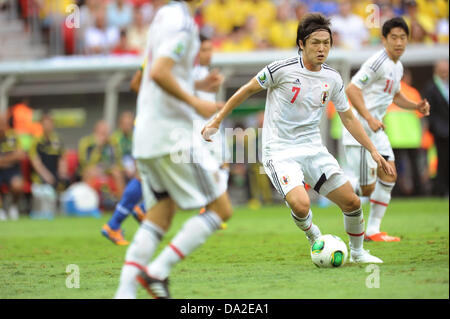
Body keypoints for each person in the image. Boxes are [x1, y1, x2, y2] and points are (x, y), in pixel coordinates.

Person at [203, 13, 393, 265]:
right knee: (301, 205)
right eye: (315, 42)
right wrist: (217, 120)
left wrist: (373, 150)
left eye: (326, 42)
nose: (322, 48)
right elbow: (247, 90)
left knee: (352, 201)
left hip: (313, 149)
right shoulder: (280, 70)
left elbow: (348, 118)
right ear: (302, 44)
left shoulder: (333, 78)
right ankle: (315, 237)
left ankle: (358, 253)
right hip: (279, 151)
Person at [115, 0, 232, 299]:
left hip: (148, 135)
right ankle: (157, 272)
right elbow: (158, 72)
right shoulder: (183, 25)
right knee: (220, 209)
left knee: (161, 212)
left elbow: (161, 73)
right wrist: (196, 103)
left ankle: (124, 294)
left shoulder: (165, 16)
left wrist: (198, 84)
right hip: (172, 136)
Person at [342, 17, 430, 242]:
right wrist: (369, 118)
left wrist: (416, 106)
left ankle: (373, 230)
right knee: (366, 190)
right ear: (384, 40)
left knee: (389, 175)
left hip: (376, 129)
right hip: (360, 129)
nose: (399, 42)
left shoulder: (397, 66)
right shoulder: (377, 62)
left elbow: (396, 96)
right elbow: (352, 89)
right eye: (394, 38)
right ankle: (325, 181)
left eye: (403, 37)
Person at [28, 113, 67, 218]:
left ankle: (62, 211)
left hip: (55, 173)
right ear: (42, 125)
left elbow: (62, 159)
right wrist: (47, 176)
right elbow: (36, 162)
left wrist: (62, 173)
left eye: (50, 124)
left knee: (65, 181)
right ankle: (42, 212)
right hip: (41, 176)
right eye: (45, 124)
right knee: (46, 186)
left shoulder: (57, 141)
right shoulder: (36, 142)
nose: (48, 126)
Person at [78, 120, 125, 204]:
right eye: (102, 133)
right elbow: (85, 162)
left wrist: (112, 169)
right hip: (91, 169)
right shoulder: (86, 142)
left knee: (117, 173)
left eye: (106, 133)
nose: (104, 136)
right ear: (95, 132)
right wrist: (98, 148)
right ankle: (88, 203)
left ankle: (121, 204)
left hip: (107, 170)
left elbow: (116, 161)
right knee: (89, 172)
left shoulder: (112, 143)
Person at [424, 59, 449, 197]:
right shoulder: (431, 88)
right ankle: (441, 190)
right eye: (442, 70)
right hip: (440, 133)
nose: (445, 73)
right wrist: (435, 128)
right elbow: (429, 112)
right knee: (441, 161)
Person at [0, 113, 26, 221]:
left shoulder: (14, 136)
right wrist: (11, 158)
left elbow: (20, 155)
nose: (2, 126)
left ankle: (13, 207)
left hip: (12, 170)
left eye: (3, 123)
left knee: (17, 185)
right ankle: (1, 210)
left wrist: (3, 160)